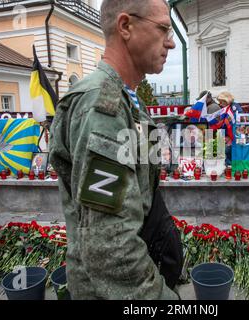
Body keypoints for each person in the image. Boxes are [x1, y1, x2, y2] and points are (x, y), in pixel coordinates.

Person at [49, 0, 182, 299]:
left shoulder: (129, 102)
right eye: (163, 29)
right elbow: (110, 244)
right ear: (125, 26)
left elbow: (142, 198)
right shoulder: (102, 107)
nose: (171, 43)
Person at [216, 92, 242, 166]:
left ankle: (231, 167)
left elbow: (238, 123)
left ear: (226, 100)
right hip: (226, 136)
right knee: (223, 151)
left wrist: (230, 137)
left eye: (221, 102)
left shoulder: (235, 107)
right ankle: (228, 166)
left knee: (227, 151)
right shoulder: (224, 109)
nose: (220, 104)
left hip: (234, 136)